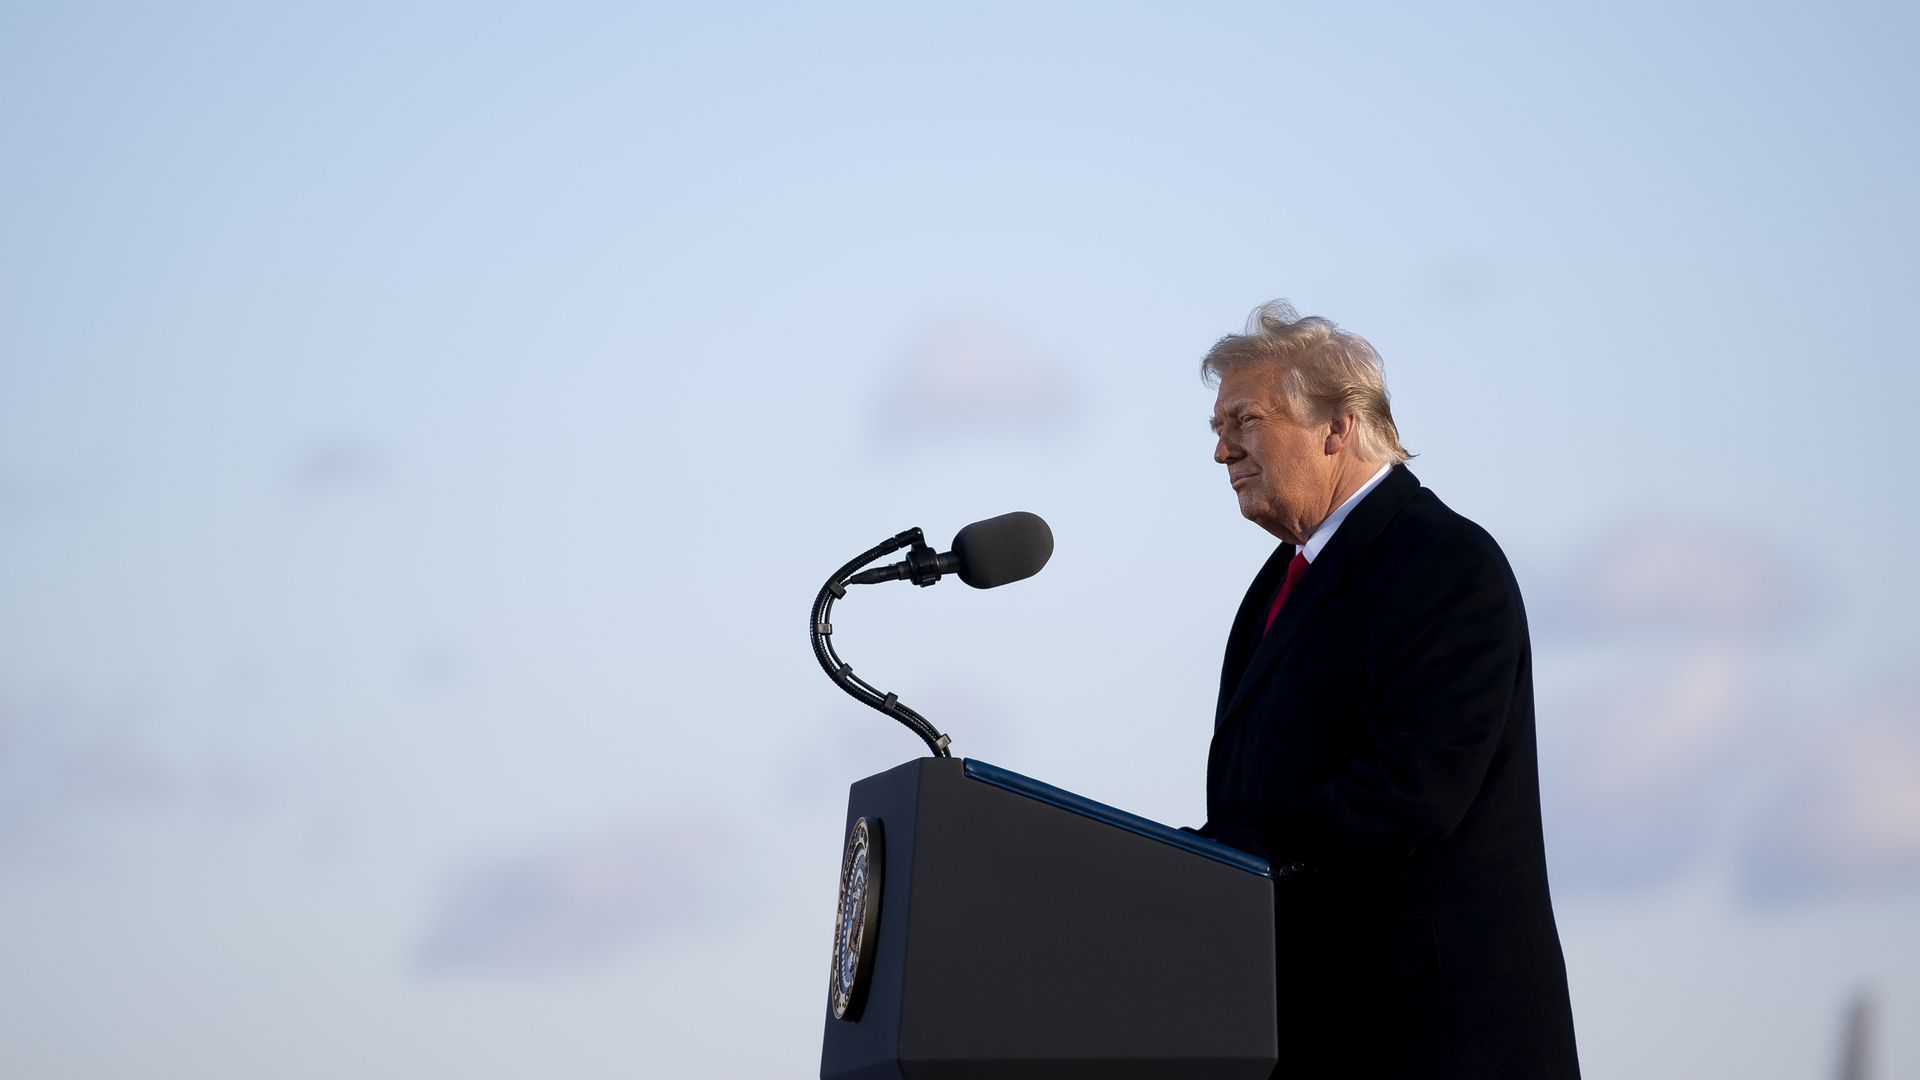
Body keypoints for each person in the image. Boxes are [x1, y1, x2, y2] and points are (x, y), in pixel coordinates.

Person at [1195, 300, 1580, 1079]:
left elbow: (1413, 789)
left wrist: (1216, 860)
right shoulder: (1276, 586)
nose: (1222, 450)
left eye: (1244, 419)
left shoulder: (1444, 564)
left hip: (1435, 1040)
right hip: (1308, 1028)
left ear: (1338, 426)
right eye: (1216, 429)